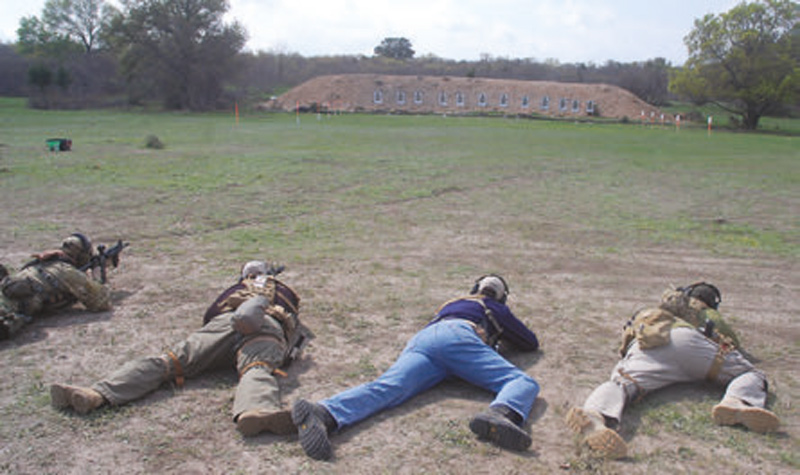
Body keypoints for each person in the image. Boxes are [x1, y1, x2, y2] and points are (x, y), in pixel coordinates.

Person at [50, 260, 314, 438]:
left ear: (243, 276)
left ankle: (96, 393)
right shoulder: (282, 292)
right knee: (256, 368)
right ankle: (256, 410)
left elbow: (211, 313)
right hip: (266, 327)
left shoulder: (236, 288)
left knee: (170, 362)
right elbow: (294, 328)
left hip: (222, 325)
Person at [292, 274, 541, 461]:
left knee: (387, 387)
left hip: (424, 339)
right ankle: (500, 413)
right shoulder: (494, 306)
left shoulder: (453, 302)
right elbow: (529, 343)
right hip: (458, 337)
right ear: (502, 296)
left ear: (475, 288)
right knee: (522, 382)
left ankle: (325, 413)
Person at [565, 282, 780, 459]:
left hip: (650, 344)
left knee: (620, 384)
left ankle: (596, 415)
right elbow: (731, 342)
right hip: (690, 343)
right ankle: (736, 401)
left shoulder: (651, 312)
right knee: (750, 374)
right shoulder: (705, 313)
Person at [1, 233, 111, 340]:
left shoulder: (42, 261)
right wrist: (97, 271)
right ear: (81, 256)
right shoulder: (67, 271)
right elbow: (101, 302)